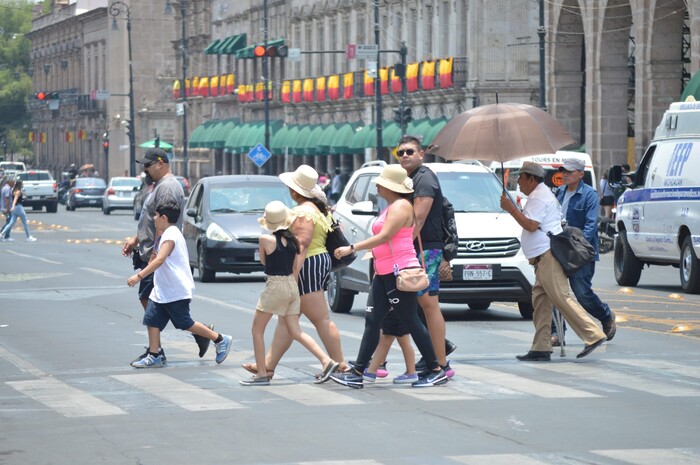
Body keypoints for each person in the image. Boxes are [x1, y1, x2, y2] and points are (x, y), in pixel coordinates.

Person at [330, 164, 447, 388]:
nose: (376, 185)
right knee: (373, 321)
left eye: (380, 182)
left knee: (411, 321)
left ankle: (435, 369)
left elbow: (384, 236)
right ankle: (358, 371)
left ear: (389, 186)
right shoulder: (392, 205)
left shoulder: (402, 206)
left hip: (399, 272)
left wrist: (352, 247)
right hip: (384, 272)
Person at [241, 165, 347, 379]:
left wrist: (292, 275)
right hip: (315, 262)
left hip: (305, 264)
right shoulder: (316, 208)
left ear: (295, 191)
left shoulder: (303, 212)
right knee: (288, 318)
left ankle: (340, 365)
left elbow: (301, 246)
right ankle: (269, 365)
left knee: (320, 319)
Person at [499, 161, 607, 361]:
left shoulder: (539, 196)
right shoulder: (538, 194)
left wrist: (511, 209)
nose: (519, 182)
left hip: (547, 255)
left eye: (521, 178)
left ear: (532, 178)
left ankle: (593, 334)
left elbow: (531, 225)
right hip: (541, 258)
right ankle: (541, 347)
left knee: (561, 297)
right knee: (540, 302)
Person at [121, 148, 211, 363]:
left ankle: (162, 349)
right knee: (152, 301)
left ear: (160, 164)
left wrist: (154, 253)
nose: (145, 170)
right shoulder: (159, 185)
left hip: (158, 256)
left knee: (155, 303)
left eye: (148, 165)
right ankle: (166, 346)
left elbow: (164, 222)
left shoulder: (168, 187)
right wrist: (136, 238)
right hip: (152, 252)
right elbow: (151, 220)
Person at [126, 201, 232, 368]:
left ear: (164, 217)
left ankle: (220, 339)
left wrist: (139, 276)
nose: (154, 218)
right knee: (151, 319)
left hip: (176, 290)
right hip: (163, 289)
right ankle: (155, 355)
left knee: (184, 322)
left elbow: (161, 259)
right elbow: (158, 257)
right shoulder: (168, 233)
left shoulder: (171, 235)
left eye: (155, 215)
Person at [396, 135, 455, 376]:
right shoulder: (411, 178)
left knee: (429, 305)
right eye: (401, 153)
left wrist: (400, 247)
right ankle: (437, 355)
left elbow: (417, 220)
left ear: (422, 154)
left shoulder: (424, 179)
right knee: (420, 305)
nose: (405, 156)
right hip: (418, 249)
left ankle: (440, 363)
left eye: (410, 151)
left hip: (425, 248)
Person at [553, 158, 617, 345]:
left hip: (580, 252)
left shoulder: (589, 195)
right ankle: (558, 332)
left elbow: (590, 226)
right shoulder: (559, 192)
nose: (565, 174)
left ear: (581, 174)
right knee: (555, 291)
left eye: (570, 171)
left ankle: (605, 315)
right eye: (563, 171)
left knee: (582, 293)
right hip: (559, 250)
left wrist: (576, 245)